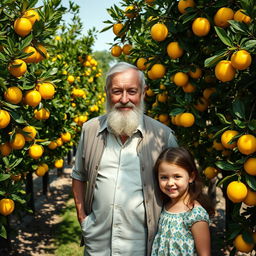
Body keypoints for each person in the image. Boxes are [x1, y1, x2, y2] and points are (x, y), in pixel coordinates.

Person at [71, 62, 178, 256]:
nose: (124, 99)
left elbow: (179, 187)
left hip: (142, 247)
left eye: (132, 91)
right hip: (97, 245)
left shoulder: (162, 137)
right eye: (117, 91)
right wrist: (82, 218)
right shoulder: (91, 130)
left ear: (143, 92)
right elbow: (78, 175)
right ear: (107, 92)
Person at [151, 147, 214, 256]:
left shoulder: (195, 214)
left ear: (191, 177)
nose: (170, 183)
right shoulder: (165, 206)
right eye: (164, 177)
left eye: (177, 176)